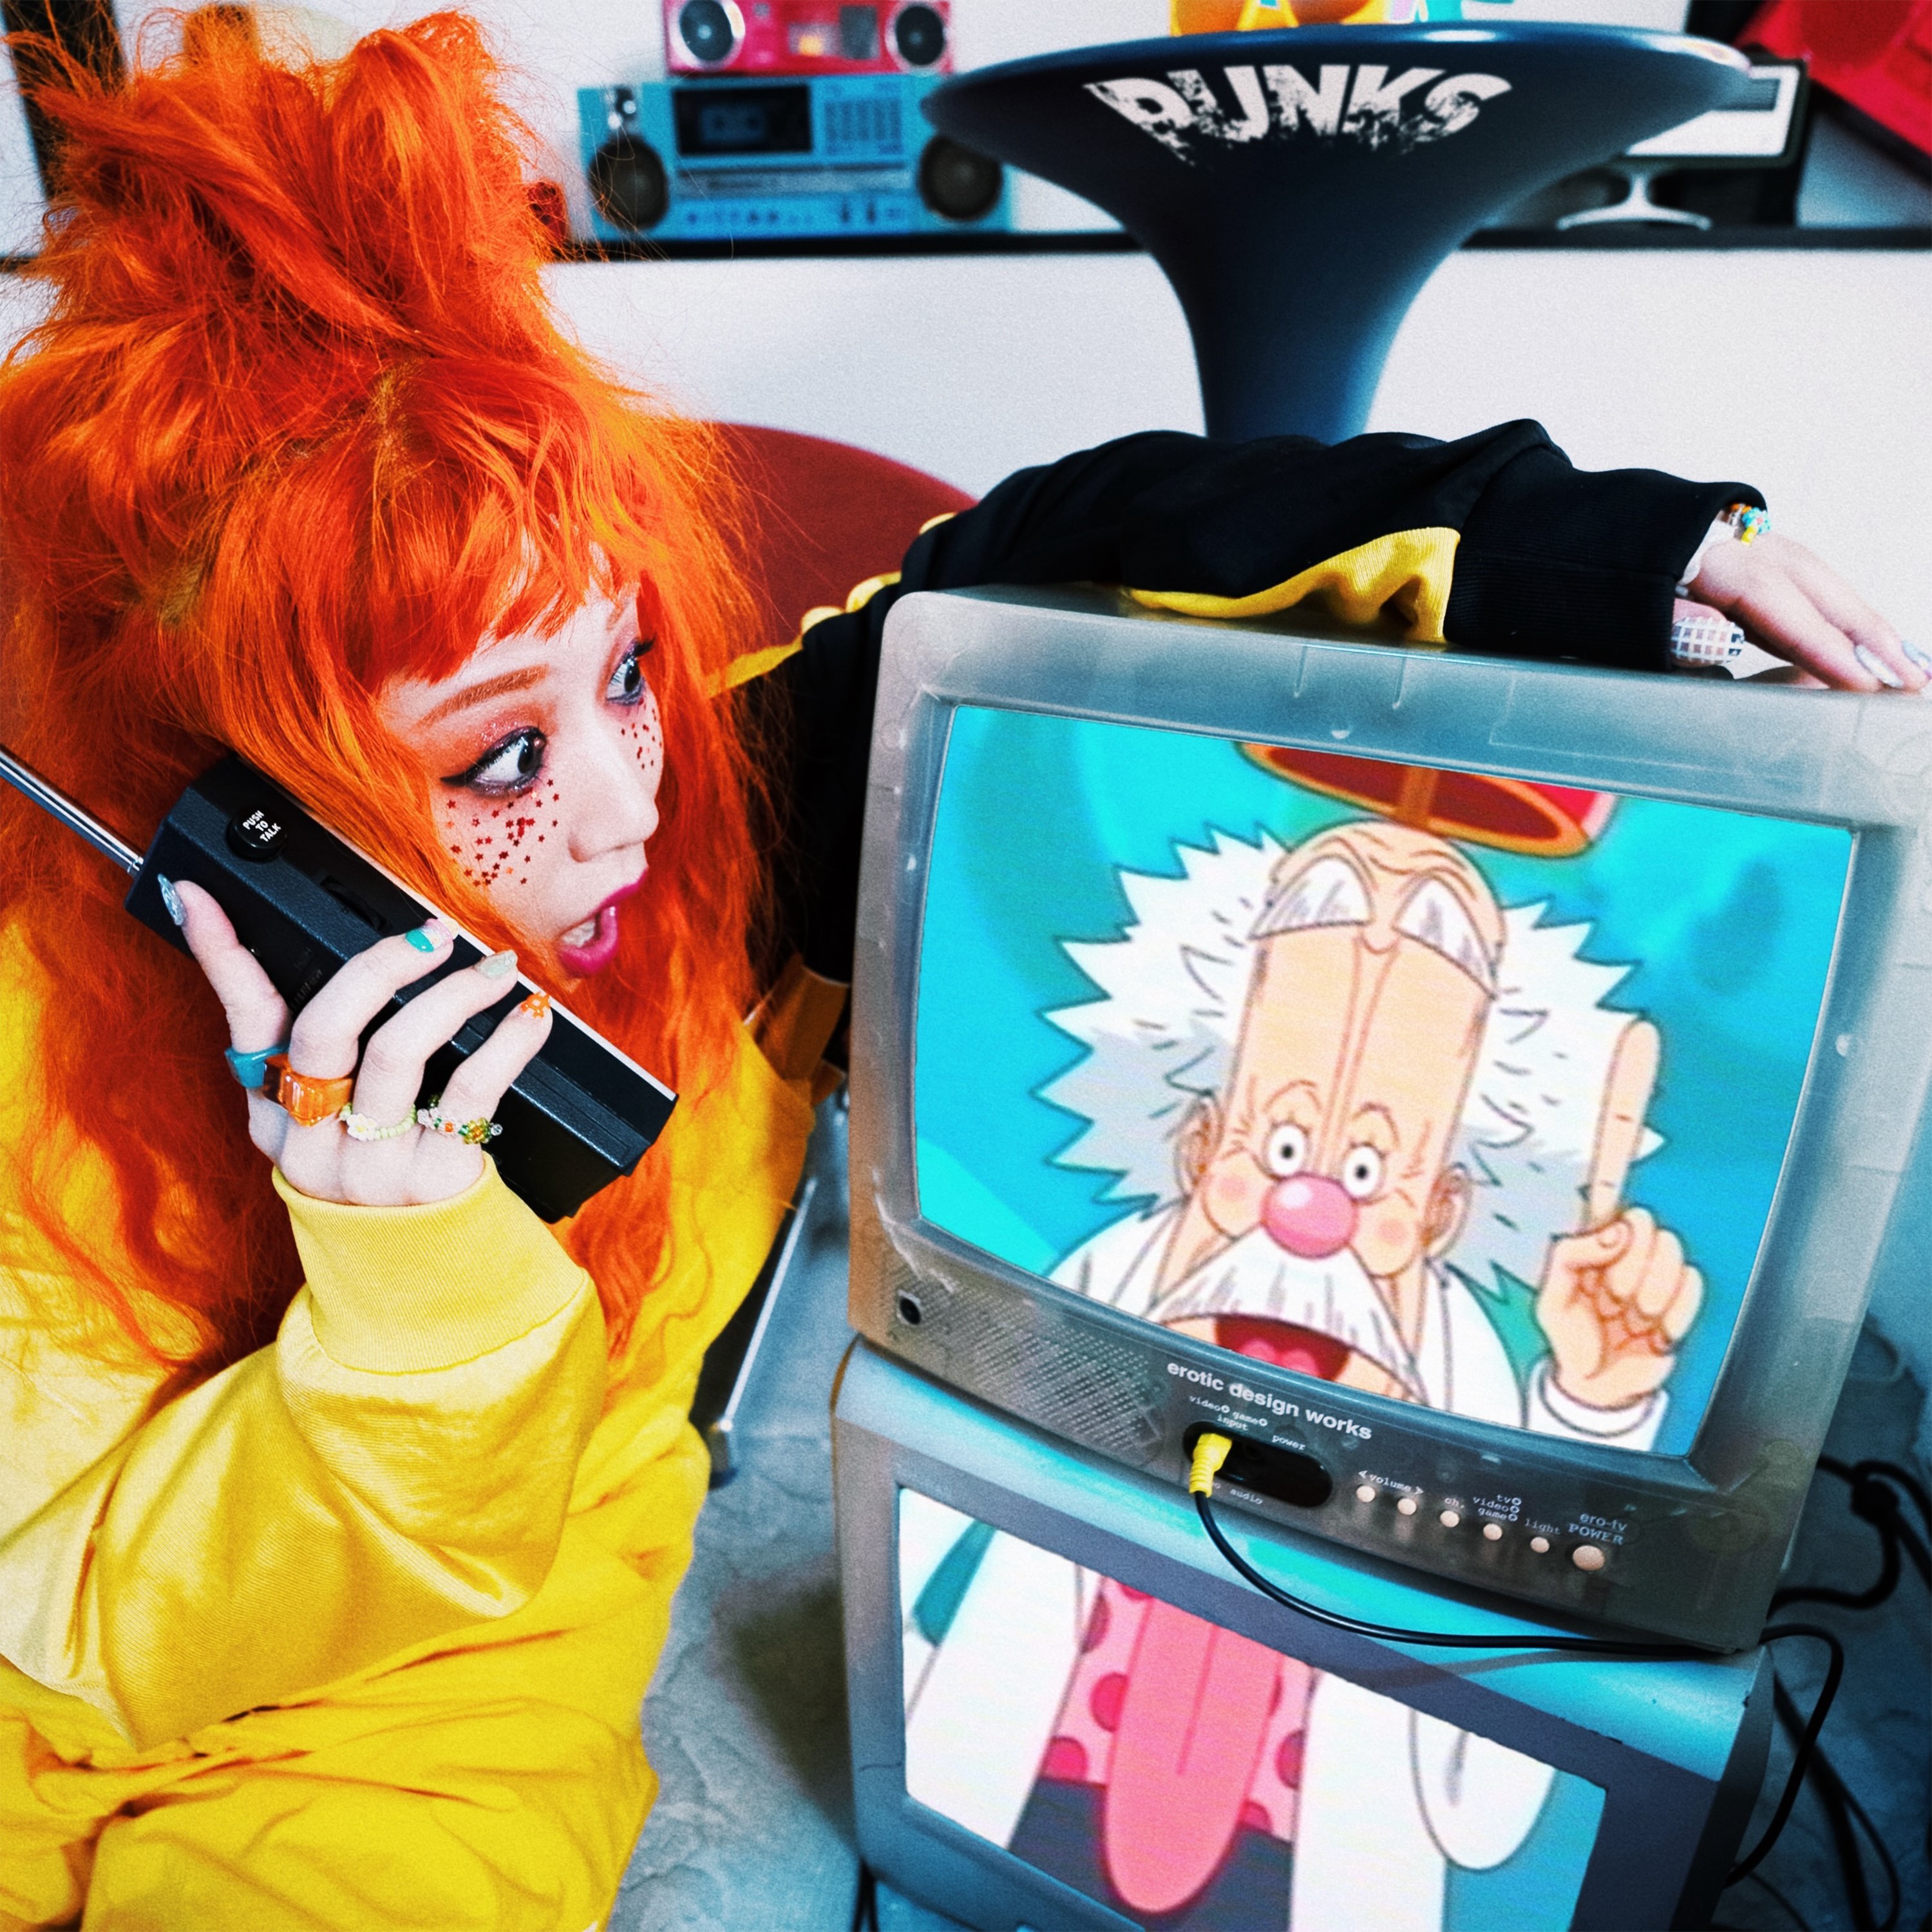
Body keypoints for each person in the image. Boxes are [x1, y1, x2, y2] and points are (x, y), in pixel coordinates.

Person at [0, 14, 1915, 1932]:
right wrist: (393, 1268)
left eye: (628, 670)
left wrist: (1600, 553)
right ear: (238, 812)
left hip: (454, 1716)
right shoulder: (39, 1058)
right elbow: (94, 1636)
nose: (629, 808)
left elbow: (1059, 557)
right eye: (503, 757)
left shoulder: (718, 835)